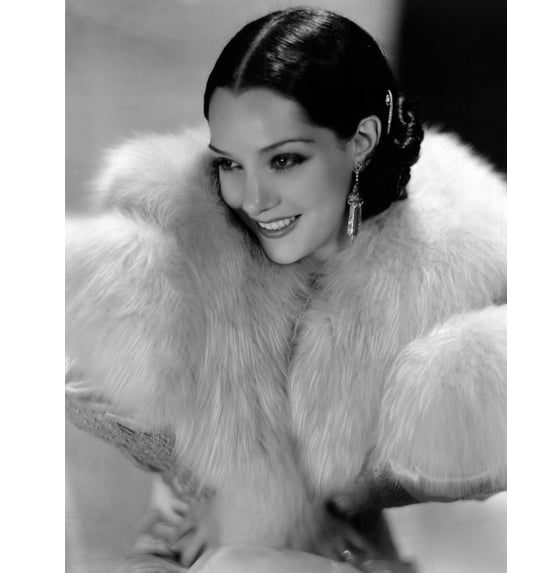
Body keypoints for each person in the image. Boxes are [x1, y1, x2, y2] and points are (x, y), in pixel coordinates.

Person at [65, 6, 506, 572]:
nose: (253, 198)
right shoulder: (186, 249)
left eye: (285, 159)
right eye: (230, 164)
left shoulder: (448, 281)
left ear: (362, 141)